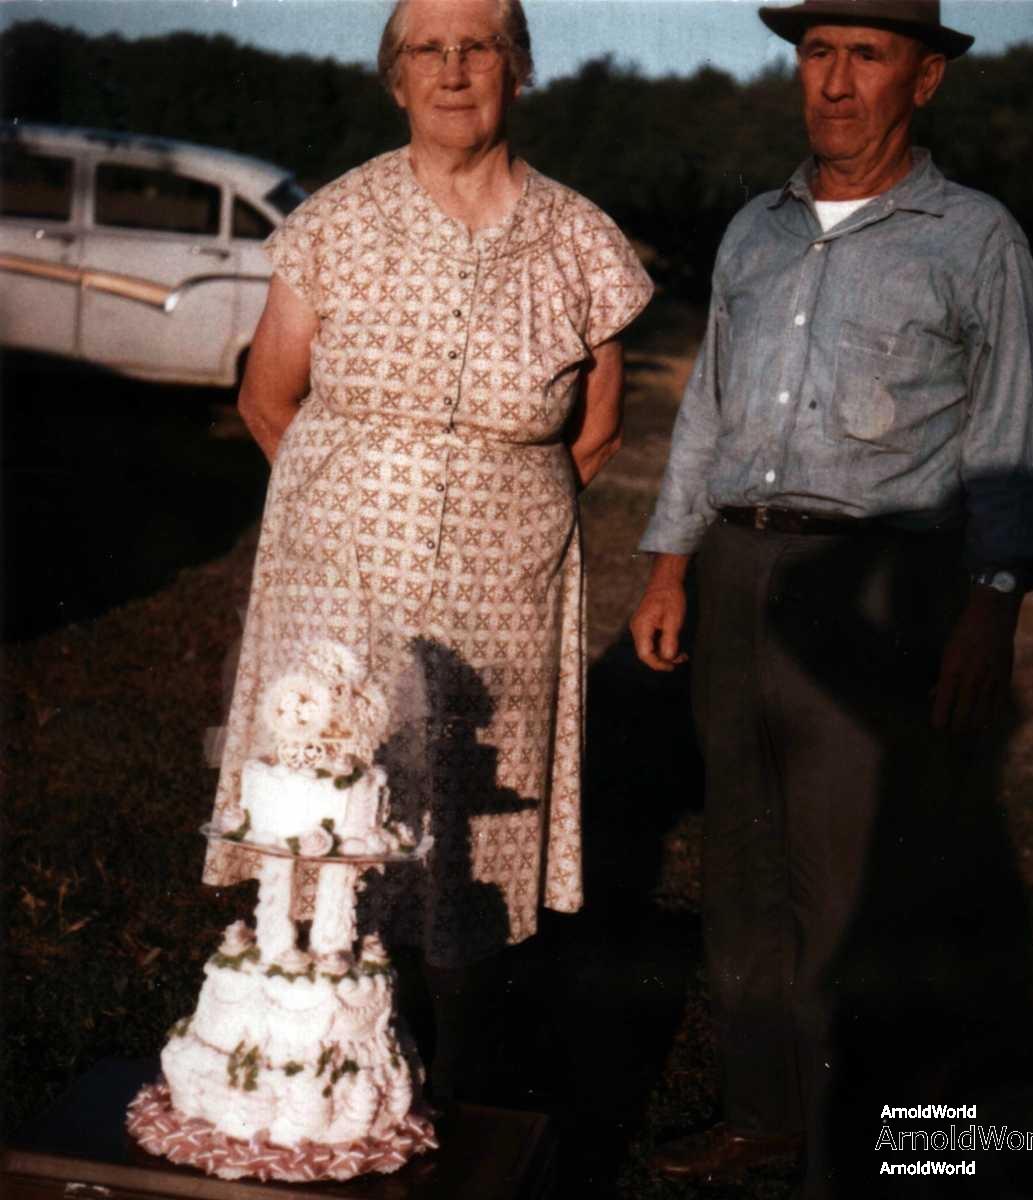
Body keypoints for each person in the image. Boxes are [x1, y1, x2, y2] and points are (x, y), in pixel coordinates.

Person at [630, 1, 1033, 1196]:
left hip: (880, 585)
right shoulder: (753, 230)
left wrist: (990, 605)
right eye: (816, 51)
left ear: (922, 80)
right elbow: (706, 410)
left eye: (866, 55)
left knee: (849, 885)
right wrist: (667, 564)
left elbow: (1005, 439)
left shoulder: (973, 238)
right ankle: (759, 1117)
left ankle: (847, 1148)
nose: (834, 79)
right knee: (740, 866)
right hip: (736, 569)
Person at [204, 0, 652, 1103]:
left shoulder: (582, 238)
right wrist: (351, 512)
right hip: (338, 580)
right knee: (334, 808)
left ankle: (456, 1097)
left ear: (519, 69)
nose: (453, 71)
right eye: (426, 50)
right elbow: (268, 400)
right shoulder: (332, 220)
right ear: (394, 79)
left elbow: (596, 431)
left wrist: (499, 512)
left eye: (477, 46)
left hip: (503, 589)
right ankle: (313, 1070)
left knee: (471, 827)